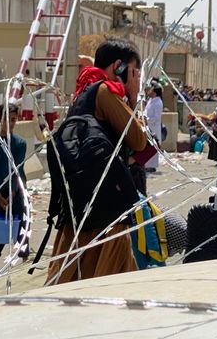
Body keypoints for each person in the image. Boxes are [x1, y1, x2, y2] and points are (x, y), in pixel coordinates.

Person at [46, 37, 147, 285]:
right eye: (133, 72)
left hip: (80, 208)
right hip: (105, 213)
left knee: (73, 279)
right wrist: (132, 98)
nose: (137, 79)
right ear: (118, 67)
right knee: (105, 287)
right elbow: (139, 140)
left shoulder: (84, 91)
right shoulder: (105, 91)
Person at [0, 103, 28, 279]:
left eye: (14, 119)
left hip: (17, 191)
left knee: (21, 224)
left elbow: (17, 168)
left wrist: (14, 191)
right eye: (7, 119)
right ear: (0, 119)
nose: (10, 123)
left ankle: (23, 264)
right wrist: (0, 195)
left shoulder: (20, 144)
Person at [144, 83, 163, 172]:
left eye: (151, 90)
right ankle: (147, 164)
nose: (149, 91)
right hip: (147, 126)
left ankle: (152, 165)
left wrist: (146, 120)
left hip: (154, 127)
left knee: (153, 145)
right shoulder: (151, 100)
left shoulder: (158, 102)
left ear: (155, 92)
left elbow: (156, 117)